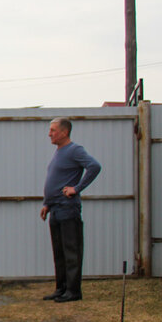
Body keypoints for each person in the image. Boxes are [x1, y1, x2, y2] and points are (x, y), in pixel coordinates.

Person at [39, 118, 101, 303]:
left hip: (68, 209)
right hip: (55, 209)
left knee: (71, 251)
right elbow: (56, 181)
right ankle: (61, 288)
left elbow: (94, 166)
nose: (50, 134)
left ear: (65, 132)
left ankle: (73, 291)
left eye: (53, 130)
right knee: (59, 252)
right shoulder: (58, 153)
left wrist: (76, 188)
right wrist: (47, 204)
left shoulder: (75, 150)